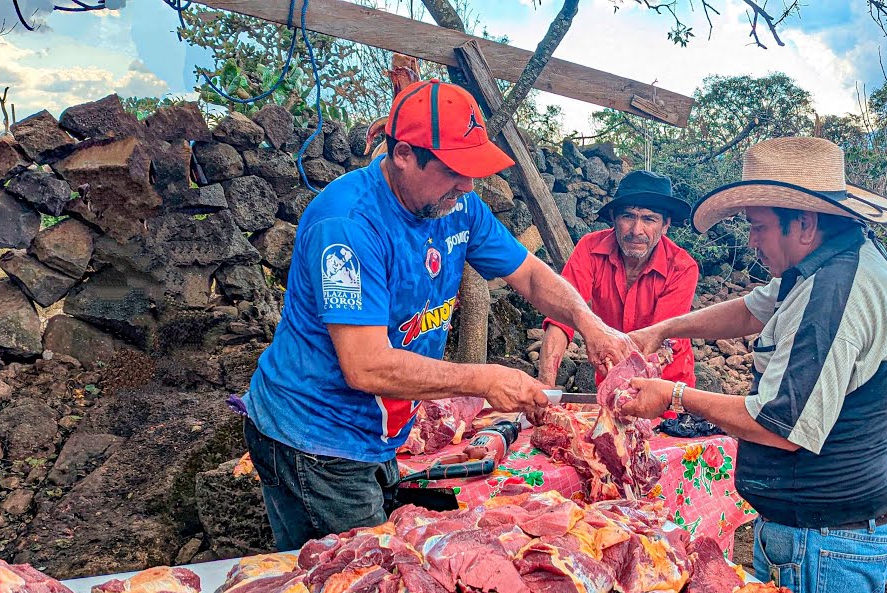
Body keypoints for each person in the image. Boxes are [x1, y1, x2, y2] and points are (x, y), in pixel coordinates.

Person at [243, 79, 633, 551]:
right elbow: (365, 364)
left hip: (376, 430)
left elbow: (529, 274)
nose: (468, 186)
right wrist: (484, 380)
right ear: (404, 154)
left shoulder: (456, 206)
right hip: (316, 440)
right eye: (455, 170)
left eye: (473, 171)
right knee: (353, 584)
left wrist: (589, 322)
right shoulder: (348, 225)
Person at [620, 137, 887, 593]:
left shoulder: (833, 294)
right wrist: (665, 328)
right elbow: (753, 310)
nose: (752, 241)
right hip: (836, 523)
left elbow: (780, 426)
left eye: (758, 226)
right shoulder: (826, 261)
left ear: (803, 222)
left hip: (823, 533)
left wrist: (675, 394)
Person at [538, 170, 699, 388]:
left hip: (667, 385)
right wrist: (545, 386)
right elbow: (561, 316)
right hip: (611, 380)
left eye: (649, 219)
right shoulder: (589, 248)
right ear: (614, 218)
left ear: (665, 225)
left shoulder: (682, 267)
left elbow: (661, 338)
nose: (636, 230)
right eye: (628, 216)